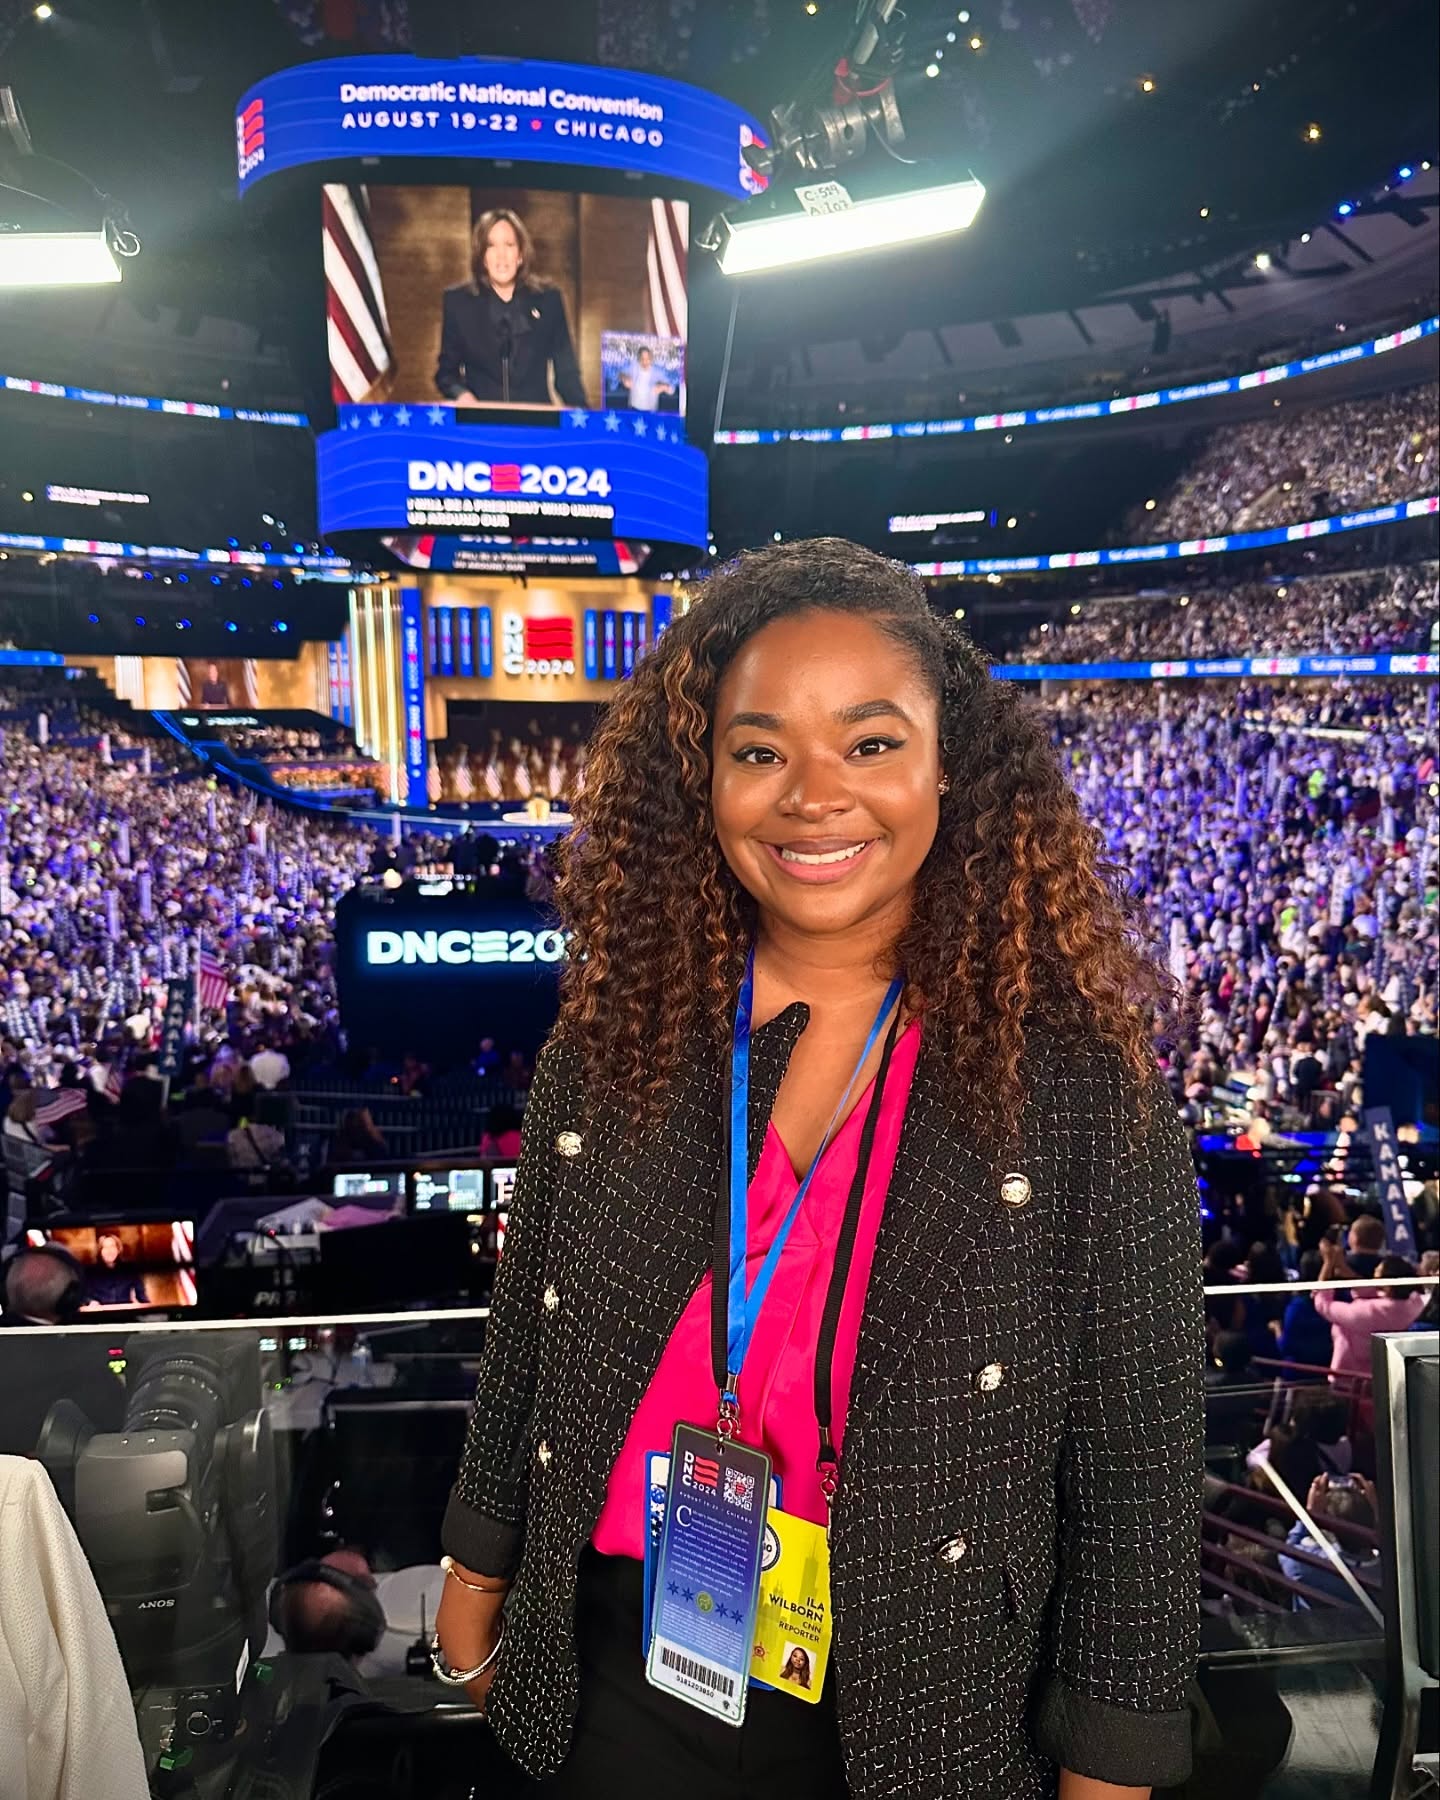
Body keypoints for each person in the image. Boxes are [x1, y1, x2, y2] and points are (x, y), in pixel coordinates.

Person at [435, 539, 1202, 1799]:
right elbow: (534, 1328)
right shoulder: (619, 1038)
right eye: (759, 751)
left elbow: (1136, 1467)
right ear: (705, 780)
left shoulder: (1081, 1094)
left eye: (870, 741)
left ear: (949, 763)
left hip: (932, 1699)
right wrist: (477, 1563)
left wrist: (1112, 1763)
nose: (812, 794)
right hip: (618, 1665)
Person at [435, 208, 587, 409]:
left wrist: (583, 417)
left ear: (521, 254)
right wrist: (463, 396)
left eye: (509, 245)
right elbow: (446, 374)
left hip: (533, 426)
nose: (501, 256)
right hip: (482, 425)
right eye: (491, 246)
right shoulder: (459, 303)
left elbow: (567, 374)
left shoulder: (548, 300)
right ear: (482, 256)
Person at [1313, 1244, 1428, 1384]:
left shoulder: (1368, 1313)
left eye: (1377, 1272)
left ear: (1387, 1284)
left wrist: (1328, 1264)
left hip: (1351, 1383)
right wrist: (1343, 1269)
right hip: (1389, 1379)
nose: (1374, 1271)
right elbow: (1373, 1292)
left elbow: (1324, 1305)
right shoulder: (1413, 1304)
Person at [84, 1230, 146, 1308]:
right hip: (100, 1315)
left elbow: (142, 1296)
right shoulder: (91, 1272)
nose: (109, 1251)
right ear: (100, 1251)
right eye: (105, 1247)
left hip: (124, 1313)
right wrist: (91, 1302)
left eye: (112, 1246)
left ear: (118, 1249)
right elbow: (84, 1296)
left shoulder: (129, 1269)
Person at [619, 344, 675, 413]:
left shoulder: (658, 372)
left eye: (647, 359)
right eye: (642, 359)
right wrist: (624, 378)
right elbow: (620, 373)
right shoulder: (633, 367)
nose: (645, 362)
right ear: (638, 359)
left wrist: (664, 387)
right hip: (633, 409)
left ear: (651, 359)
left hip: (650, 411)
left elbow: (672, 389)